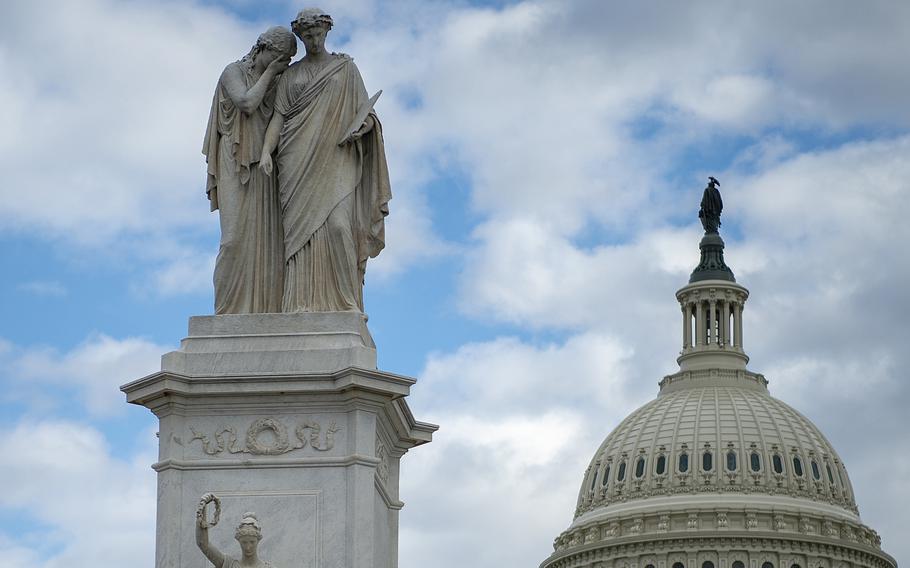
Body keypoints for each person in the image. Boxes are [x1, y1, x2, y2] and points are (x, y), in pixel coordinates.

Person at [260, 8, 391, 313]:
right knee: (297, 236)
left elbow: (366, 113)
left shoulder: (345, 70)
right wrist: (266, 151)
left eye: (317, 34)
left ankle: (347, 305)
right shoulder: (291, 74)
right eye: (307, 35)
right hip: (295, 159)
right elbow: (279, 117)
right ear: (300, 36)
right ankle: (299, 303)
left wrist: (363, 127)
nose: (313, 40)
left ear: (327, 32)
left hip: (336, 157)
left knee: (338, 227)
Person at [203, 26, 297, 314]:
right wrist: (271, 73)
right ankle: (226, 312)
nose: (284, 65)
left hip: (266, 166)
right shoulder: (233, 71)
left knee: (268, 244)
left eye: (288, 61)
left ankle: (264, 310)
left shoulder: (280, 82)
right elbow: (246, 103)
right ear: (262, 49)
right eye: (280, 57)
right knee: (232, 240)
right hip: (234, 158)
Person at [196, 494, 273, 568]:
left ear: (258, 540)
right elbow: (203, 544)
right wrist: (202, 509)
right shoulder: (229, 564)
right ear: (239, 541)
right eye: (244, 542)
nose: (248, 547)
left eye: (252, 542)